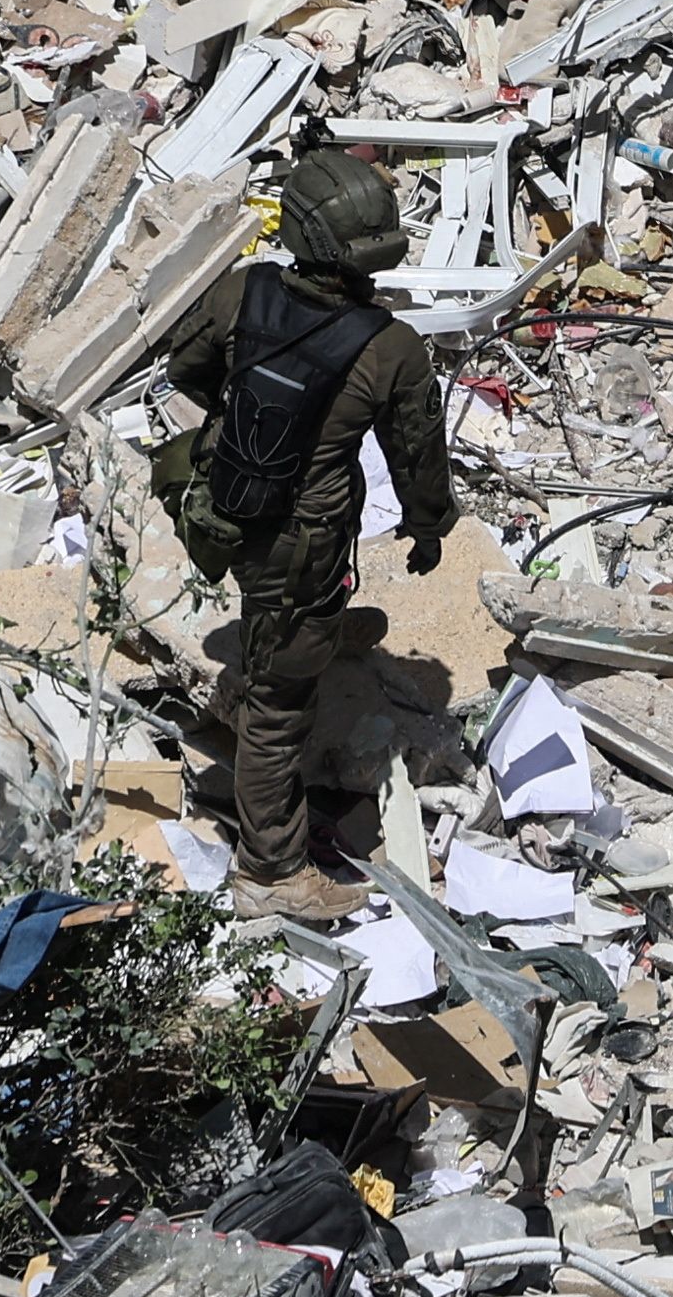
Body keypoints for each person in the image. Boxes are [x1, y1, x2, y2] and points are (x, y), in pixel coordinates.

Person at [155, 148, 452, 902]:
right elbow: (415, 453)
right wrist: (427, 527)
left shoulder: (239, 292)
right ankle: (272, 868)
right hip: (305, 540)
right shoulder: (391, 348)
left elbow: (183, 370)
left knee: (289, 617)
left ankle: (307, 633)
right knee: (277, 710)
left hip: (228, 507)